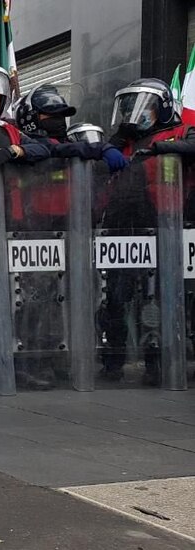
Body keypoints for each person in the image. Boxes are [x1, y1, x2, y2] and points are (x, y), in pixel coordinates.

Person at [96, 78, 195, 387]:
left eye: (142, 107)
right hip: (124, 231)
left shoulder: (181, 131)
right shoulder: (123, 142)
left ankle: (160, 362)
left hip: (169, 227)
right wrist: (110, 145)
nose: (133, 114)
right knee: (117, 298)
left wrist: (160, 148)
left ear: (162, 108)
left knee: (170, 298)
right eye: (127, 107)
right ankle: (112, 362)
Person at [14, 84, 127, 171]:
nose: (59, 119)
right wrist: (101, 149)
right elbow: (56, 149)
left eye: (62, 115)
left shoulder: (66, 141)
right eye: (53, 115)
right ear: (30, 118)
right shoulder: (30, 144)